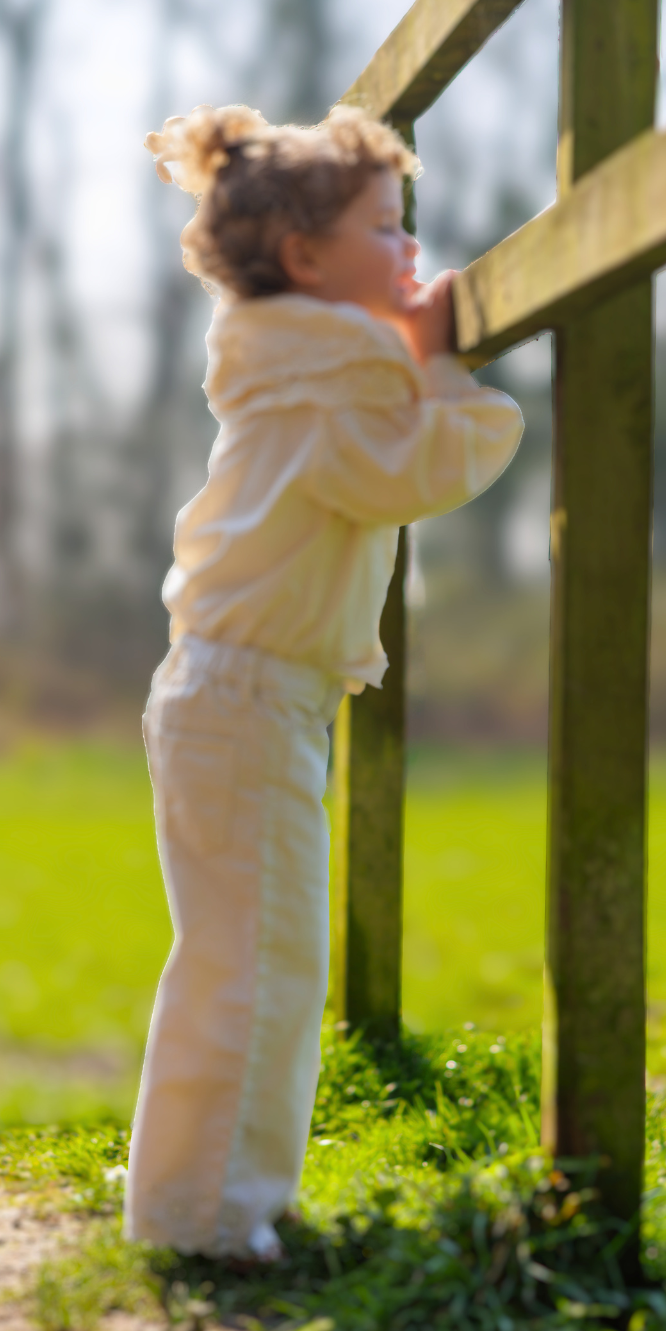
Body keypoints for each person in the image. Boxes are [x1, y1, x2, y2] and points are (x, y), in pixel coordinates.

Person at [126, 103, 523, 1262]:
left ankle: (206, 1204)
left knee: (246, 957)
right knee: (255, 963)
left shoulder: (296, 361)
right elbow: (412, 469)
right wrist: (438, 358)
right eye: (385, 227)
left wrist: (403, 352)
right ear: (305, 257)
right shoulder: (320, 372)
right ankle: (211, 1223)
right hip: (246, 703)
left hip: (238, 696)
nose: (410, 251)